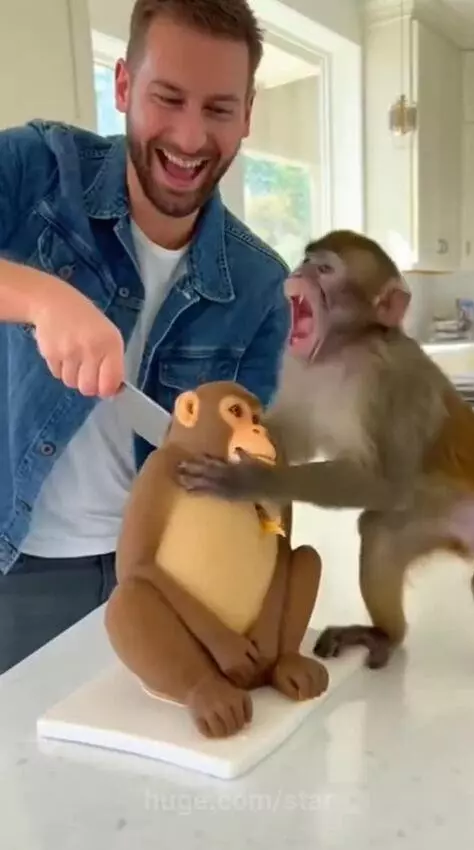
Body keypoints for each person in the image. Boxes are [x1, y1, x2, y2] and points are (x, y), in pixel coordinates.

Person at [0, 0, 291, 674]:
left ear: (247, 116)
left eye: (219, 109)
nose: (190, 137)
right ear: (125, 85)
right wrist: (40, 296)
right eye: (169, 98)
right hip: (18, 573)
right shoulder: (38, 168)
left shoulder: (260, 285)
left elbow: (246, 469)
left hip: (169, 579)